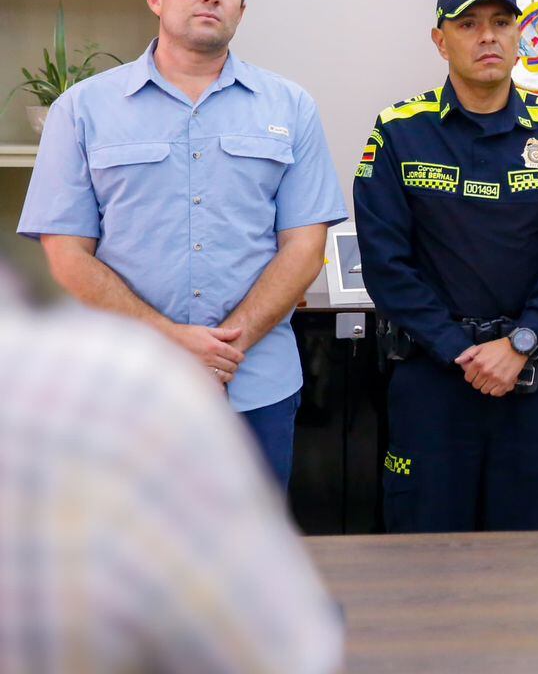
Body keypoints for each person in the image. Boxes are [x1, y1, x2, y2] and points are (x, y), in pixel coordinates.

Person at [17, 0, 346, 489]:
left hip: (254, 387)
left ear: (242, 7)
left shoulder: (291, 107)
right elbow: (67, 255)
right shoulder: (83, 109)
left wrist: (225, 348)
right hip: (122, 395)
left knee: (248, 563)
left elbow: (305, 246)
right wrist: (171, 340)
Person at [353, 0, 538, 532]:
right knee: (426, 561)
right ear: (441, 41)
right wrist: (460, 352)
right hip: (434, 382)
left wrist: (519, 343)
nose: (486, 36)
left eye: (500, 23)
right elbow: (385, 263)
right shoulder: (399, 132)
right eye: (467, 24)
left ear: (521, 37)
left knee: (533, 568)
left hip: (533, 379)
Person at [0, 254, 344, 674]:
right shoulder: (133, 389)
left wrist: (193, 348)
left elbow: (303, 245)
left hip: (253, 382)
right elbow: (285, 655)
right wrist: (177, 346)